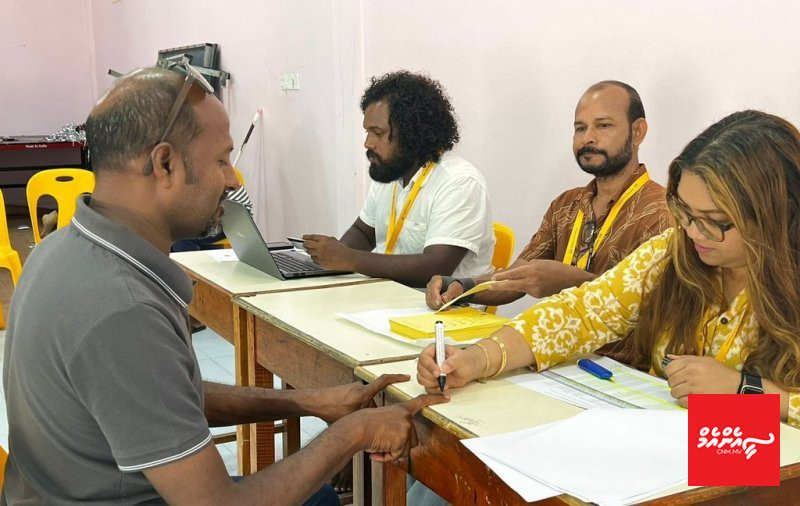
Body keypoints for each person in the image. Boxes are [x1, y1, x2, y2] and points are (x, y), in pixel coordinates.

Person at [2, 65, 444, 505]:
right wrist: (354, 433)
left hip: (56, 491)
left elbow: (169, 397)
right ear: (164, 164)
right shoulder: (124, 310)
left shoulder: (59, 249)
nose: (232, 180)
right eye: (221, 161)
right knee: (320, 498)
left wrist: (308, 402)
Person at [418, 110, 800, 426]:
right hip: (671, 447)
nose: (693, 231)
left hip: (765, 470)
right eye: (684, 212)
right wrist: (475, 359)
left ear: (776, 214)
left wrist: (745, 390)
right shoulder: (672, 252)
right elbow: (583, 313)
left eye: (714, 221)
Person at [426, 80, 670, 365]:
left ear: (637, 131)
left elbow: (660, 314)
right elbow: (517, 278)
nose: (588, 138)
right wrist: (462, 286)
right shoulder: (567, 205)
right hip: (556, 359)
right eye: (580, 128)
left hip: (623, 370)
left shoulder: (663, 213)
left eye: (603, 126)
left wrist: (573, 282)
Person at [303, 71, 494, 288]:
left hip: (443, 306)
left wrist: (349, 259)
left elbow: (436, 268)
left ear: (412, 133)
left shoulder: (459, 182)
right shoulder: (390, 172)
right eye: (367, 132)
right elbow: (363, 233)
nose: (368, 143)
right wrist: (332, 257)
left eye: (377, 133)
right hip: (389, 296)